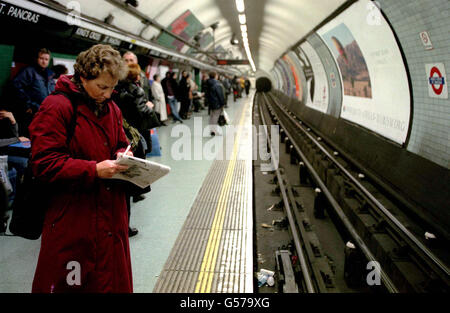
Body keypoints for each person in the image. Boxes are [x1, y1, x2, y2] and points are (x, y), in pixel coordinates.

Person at [28, 44, 133, 293]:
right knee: (73, 281)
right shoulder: (57, 107)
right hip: (73, 214)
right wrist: (92, 170)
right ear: (83, 76)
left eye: (112, 88)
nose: (107, 94)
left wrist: (124, 154)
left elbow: (120, 142)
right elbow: (44, 162)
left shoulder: (111, 109)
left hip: (109, 213)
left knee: (108, 278)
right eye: (102, 87)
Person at [11, 48, 55, 137]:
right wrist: (27, 105)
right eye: (41, 58)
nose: (44, 61)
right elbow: (16, 86)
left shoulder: (50, 74)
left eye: (46, 59)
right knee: (28, 137)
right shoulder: (28, 71)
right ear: (37, 59)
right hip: (32, 113)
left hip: (45, 113)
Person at [205, 71, 225, 136]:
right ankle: (214, 131)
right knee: (215, 117)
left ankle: (211, 130)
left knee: (211, 117)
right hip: (217, 103)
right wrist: (222, 103)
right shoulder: (217, 84)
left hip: (211, 103)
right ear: (215, 76)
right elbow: (220, 95)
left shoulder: (208, 83)